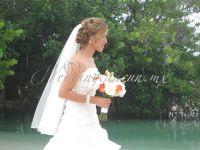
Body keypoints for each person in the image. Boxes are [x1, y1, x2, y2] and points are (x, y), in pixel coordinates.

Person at [31, 17, 121, 150]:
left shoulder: (90, 60)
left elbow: (87, 80)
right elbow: (63, 92)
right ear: (91, 38)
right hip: (76, 121)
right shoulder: (76, 62)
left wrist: (107, 82)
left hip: (90, 118)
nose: (106, 41)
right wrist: (94, 100)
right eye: (103, 36)